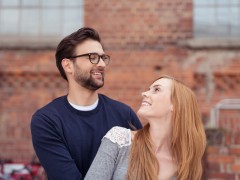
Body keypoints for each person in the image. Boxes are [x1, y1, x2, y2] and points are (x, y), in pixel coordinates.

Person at [30, 27, 142, 180]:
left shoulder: (124, 114)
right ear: (68, 65)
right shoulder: (47, 120)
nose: (102, 64)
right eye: (93, 57)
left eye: (103, 57)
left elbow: (145, 168)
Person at [85, 75, 206, 180]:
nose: (144, 93)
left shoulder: (184, 165)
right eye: (149, 89)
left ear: (175, 105)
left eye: (157, 90)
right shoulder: (119, 140)